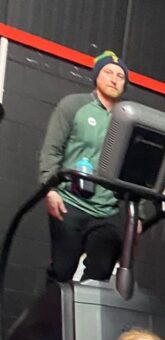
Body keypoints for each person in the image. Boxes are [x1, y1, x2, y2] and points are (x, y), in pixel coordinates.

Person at [38, 50, 128, 283]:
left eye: (120, 76)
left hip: (107, 209)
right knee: (62, 270)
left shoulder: (127, 119)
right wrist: (50, 189)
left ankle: (85, 304)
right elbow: (52, 149)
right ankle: (52, 304)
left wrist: (139, 216)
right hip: (70, 202)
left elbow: (133, 169)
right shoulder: (73, 105)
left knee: (101, 272)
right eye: (108, 72)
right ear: (96, 76)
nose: (114, 79)